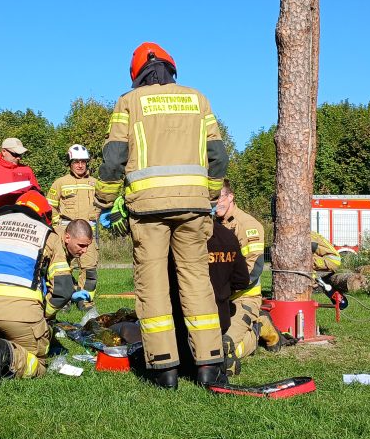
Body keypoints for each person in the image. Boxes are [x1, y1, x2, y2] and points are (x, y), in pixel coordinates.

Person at [95, 42, 229, 389]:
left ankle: (164, 370)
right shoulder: (198, 99)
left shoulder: (129, 101)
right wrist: (211, 193)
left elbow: (114, 157)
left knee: (152, 285)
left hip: (148, 210)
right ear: (172, 69)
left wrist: (104, 198)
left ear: (137, 74)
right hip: (194, 207)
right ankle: (208, 365)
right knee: (196, 282)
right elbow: (217, 155)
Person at [0, 190, 74, 386]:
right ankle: (6, 353)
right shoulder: (49, 236)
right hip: (21, 314)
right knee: (38, 363)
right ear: (44, 215)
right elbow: (63, 289)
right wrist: (44, 314)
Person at [214, 178, 284, 375]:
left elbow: (252, 270)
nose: (215, 203)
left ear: (230, 197)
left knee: (224, 348)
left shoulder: (248, 225)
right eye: (212, 198)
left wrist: (224, 289)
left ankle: (256, 328)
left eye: (219, 197)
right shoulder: (210, 225)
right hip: (218, 298)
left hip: (243, 297)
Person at [168, 220, 249, 376]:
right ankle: (222, 350)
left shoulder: (181, 237)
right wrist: (222, 291)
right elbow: (242, 280)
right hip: (221, 319)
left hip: (186, 324)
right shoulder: (228, 236)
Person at [47, 144, 99, 308]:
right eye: (76, 162)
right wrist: (57, 225)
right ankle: (64, 300)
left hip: (87, 233)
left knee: (89, 269)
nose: (80, 165)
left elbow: (104, 204)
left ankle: (86, 302)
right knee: (63, 268)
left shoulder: (95, 183)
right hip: (66, 233)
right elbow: (50, 206)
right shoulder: (60, 183)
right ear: (70, 163)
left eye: (83, 162)